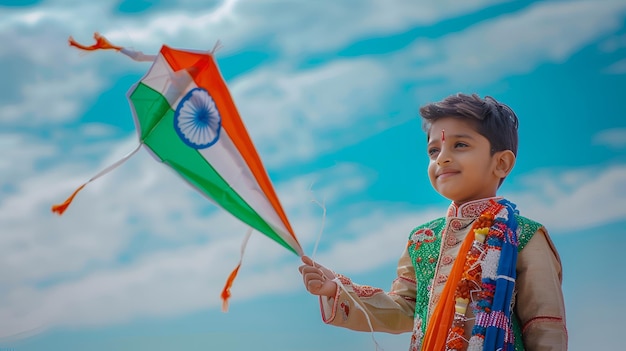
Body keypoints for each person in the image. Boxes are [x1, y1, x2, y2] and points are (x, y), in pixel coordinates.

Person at [299, 93, 567, 351]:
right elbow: (404, 309)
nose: (442, 158)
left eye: (460, 145)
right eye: (433, 150)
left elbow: (544, 326)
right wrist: (336, 289)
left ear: (502, 163)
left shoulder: (525, 235)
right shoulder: (423, 238)